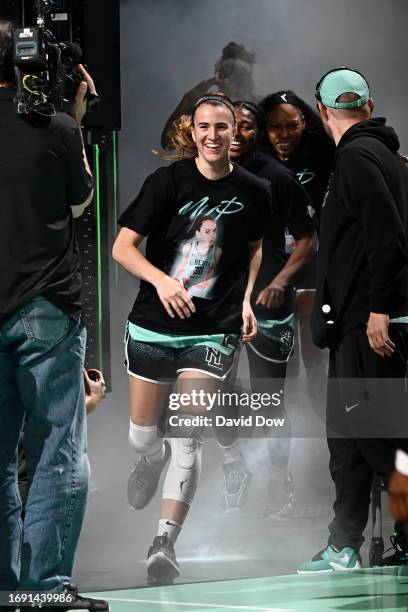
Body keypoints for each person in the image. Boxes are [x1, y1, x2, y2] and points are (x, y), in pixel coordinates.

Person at [112, 93, 269, 585]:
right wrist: (161, 281)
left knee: (187, 434)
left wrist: (246, 299)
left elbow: (256, 246)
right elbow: (122, 247)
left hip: (213, 330)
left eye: (223, 127)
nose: (213, 136)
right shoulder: (166, 182)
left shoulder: (255, 189)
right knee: (144, 435)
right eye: (204, 127)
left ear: (236, 133)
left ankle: (164, 543)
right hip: (153, 326)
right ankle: (149, 458)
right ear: (192, 130)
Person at [0, 19, 108, 611]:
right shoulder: (58, 128)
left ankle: (3, 585)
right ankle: (41, 590)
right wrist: (75, 117)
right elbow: (81, 200)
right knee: (54, 446)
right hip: (43, 306)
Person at [298, 67, 408, 573]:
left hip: (372, 324)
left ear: (322, 111)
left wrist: (380, 309)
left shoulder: (361, 156)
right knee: (347, 440)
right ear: (369, 103)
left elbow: (388, 238)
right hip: (356, 324)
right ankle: (343, 544)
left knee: (380, 437)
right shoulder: (383, 156)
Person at [218, 100, 316, 516]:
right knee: (217, 393)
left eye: (245, 127)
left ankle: (279, 476)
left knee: (268, 401)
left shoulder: (278, 177)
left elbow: (308, 237)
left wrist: (279, 281)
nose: (237, 135)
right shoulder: (204, 171)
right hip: (218, 305)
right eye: (230, 126)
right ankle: (233, 464)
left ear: (257, 132)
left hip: (267, 306)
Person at [259, 90, 335, 399]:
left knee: (314, 352)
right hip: (272, 262)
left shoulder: (321, 151)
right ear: (265, 128)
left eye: (292, 125)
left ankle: (321, 423)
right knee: (280, 354)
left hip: (311, 258)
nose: (284, 134)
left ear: (304, 122)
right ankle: (283, 418)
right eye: (275, 126)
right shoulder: (257, 158)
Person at [161, 42, 256, 149]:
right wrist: (189, 99)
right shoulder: (204, 111)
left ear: (249, 79)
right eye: (227, 74)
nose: (233, 81)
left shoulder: (261, 107)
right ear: (220, 78)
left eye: (240, 76)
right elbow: (169, 142)